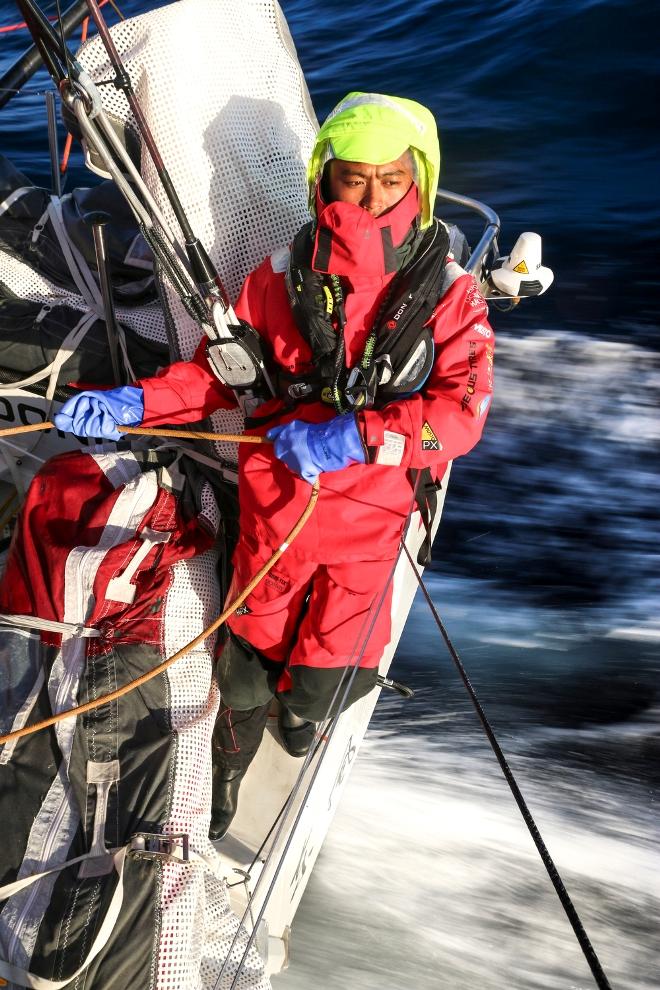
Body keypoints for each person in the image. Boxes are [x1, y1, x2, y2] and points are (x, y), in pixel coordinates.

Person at [55, 92, 495, 839]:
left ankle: (305, 716)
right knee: (244, 664)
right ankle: (223, 776)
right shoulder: (278, 274)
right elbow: (215, 375)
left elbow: (460, 417)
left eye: (390, 178)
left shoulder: (451, 295)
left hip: (371, 522)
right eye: (353, 177)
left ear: (418, 178)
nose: (370, 195)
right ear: (324, 176)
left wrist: (364, 435)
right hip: (275, 511)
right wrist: (133, 402)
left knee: (324, 680)